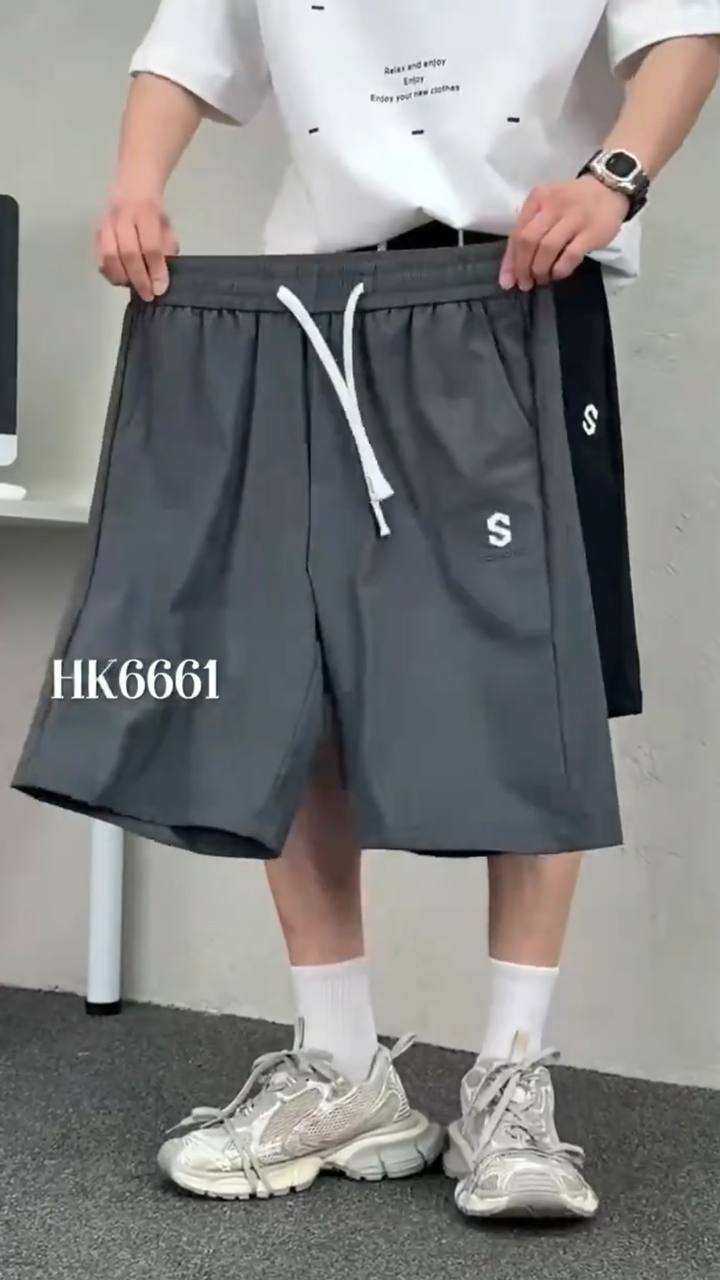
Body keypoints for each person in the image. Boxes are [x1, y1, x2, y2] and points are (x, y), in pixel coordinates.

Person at [13, 0, 720, 1220]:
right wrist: (134, 183)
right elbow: (186, 49)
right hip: (315, 300)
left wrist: (614, 176)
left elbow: (683, 33)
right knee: (299, 673)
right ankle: (343, 1068)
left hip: (523, 280)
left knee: (532, 680)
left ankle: (511, 1082)